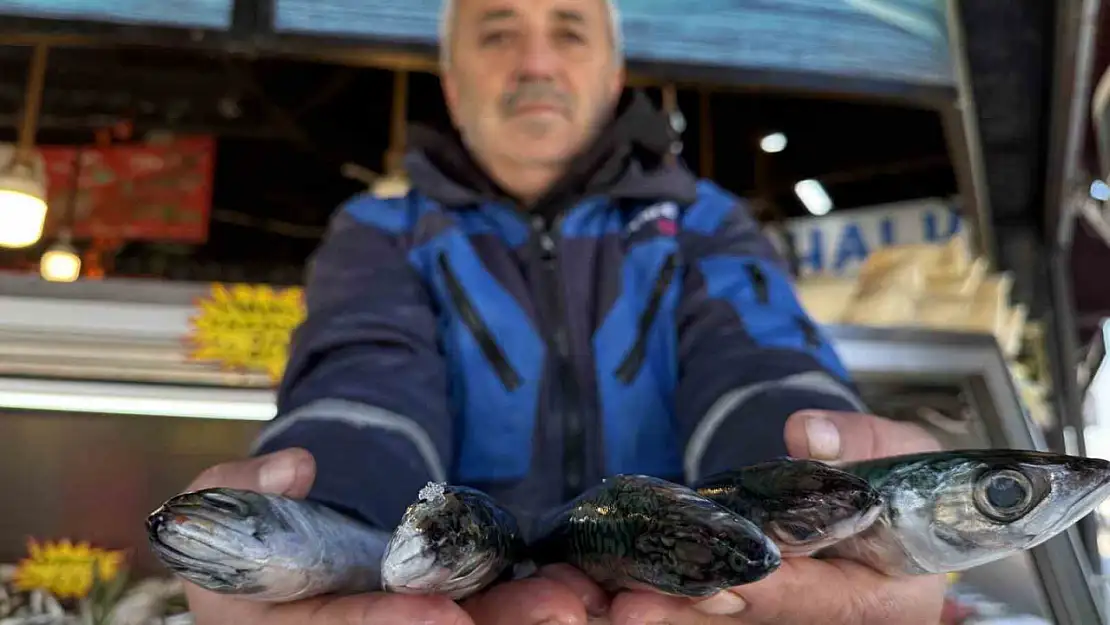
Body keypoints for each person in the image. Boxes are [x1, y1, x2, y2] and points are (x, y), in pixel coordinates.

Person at [181, 0, 948, 623]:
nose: (536, 62)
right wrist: (323, 527)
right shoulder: (379, 229)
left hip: (690, 601)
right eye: (498, 31)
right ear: (451, 82)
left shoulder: (705, 221)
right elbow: (361, 383)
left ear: (613, 74)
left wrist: (814, 495)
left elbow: (756, 363)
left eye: (569, 30)